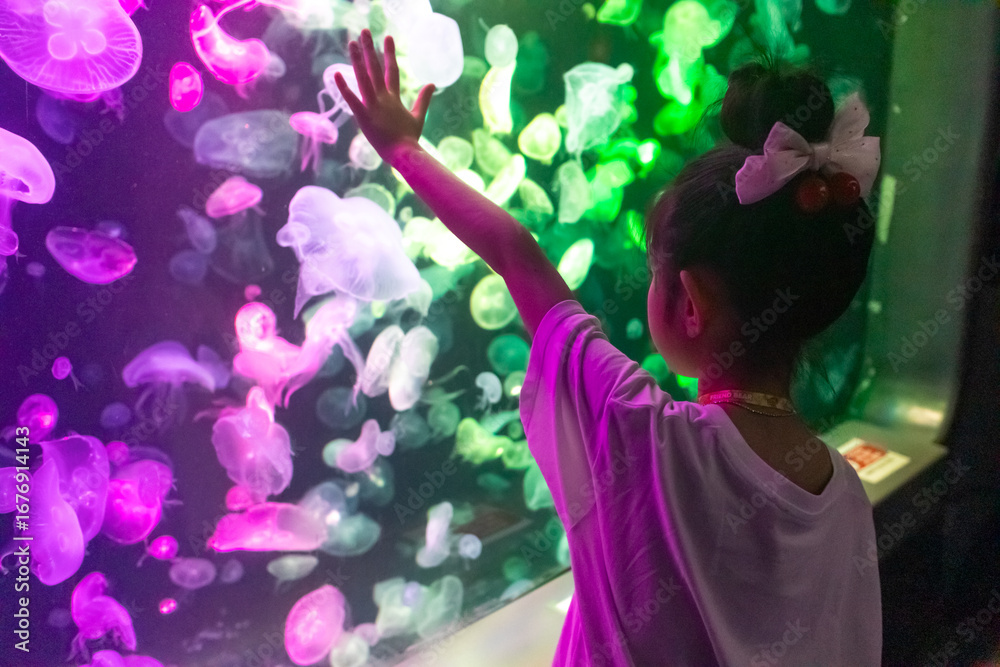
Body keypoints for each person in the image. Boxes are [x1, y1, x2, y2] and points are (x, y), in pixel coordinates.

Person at [336, 30, 882, 666]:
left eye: (653, 270)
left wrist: (403, 148)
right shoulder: (846, 495)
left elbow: (518, 257)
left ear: (687, 302)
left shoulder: (644, 437)